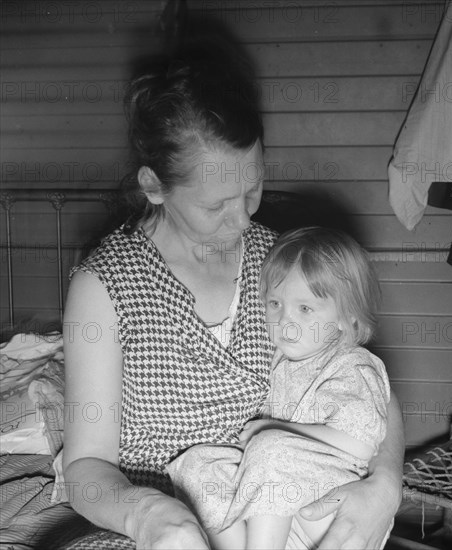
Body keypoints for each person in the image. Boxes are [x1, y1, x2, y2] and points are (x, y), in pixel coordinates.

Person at [62, 45, 404, 550]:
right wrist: (152, 516)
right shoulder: (105, 287)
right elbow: (86, 469)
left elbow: (364, 380)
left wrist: (386, 484)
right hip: (161, 519)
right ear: (154, 186)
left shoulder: (278, 258)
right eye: (217, 204)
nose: (243, 220)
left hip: (281, 509)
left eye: (253, 190)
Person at [167, 227, 392, 550]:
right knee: (199, 464)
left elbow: (360, 444)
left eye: (305, 309)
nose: (284, 321)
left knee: (271, 448)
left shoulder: (351, 365)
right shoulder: (280, 360)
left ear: (346, 316)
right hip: (279, 508)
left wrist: (275, 428)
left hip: (330, 506)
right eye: (275, 304)